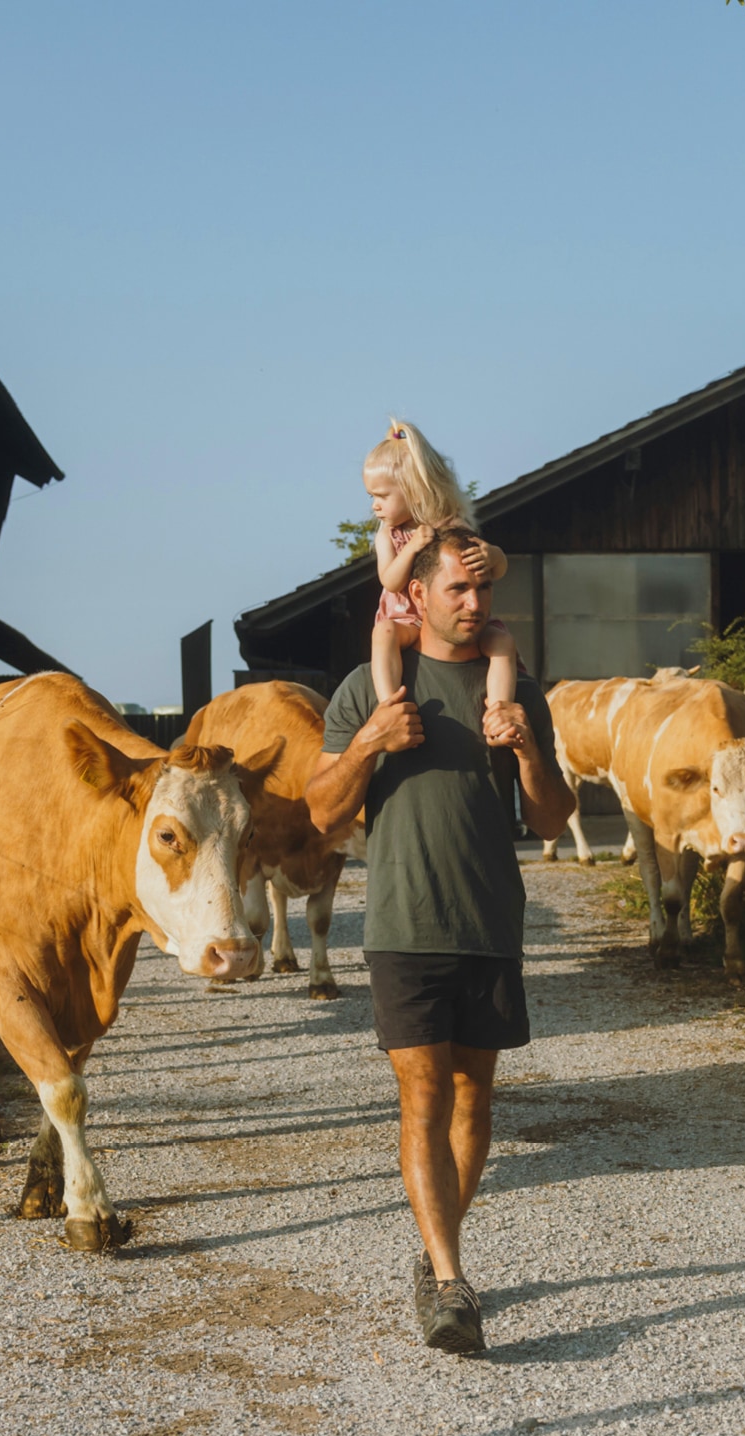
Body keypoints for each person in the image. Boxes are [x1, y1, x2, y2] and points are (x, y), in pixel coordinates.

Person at [306, 527, 576, 1353]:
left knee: (475, 1098)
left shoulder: (515, 692)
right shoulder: (370, 687)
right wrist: (369, 742)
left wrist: (526, 747)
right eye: (457, 590)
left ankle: (432, 1255)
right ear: (414, 595)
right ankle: (453, 1281)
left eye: (482, 591)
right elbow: (321, 811)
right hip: (403, 923)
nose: (474, 604)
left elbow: (554, 818)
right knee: (423, 1094)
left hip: (490, 918)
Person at [365, 419, 519, 710]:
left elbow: (496, 570)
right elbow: (390, 581)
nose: (374, 505)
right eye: (371, 496)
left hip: (453, 622)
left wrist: (492, 556)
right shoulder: (388, 536)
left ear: (414, 490)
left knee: (502, 643)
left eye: (382, 496)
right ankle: (390, 705)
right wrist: (411, 548)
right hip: (407, 620)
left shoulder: (451, 525)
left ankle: (500, 710)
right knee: (383, 634)